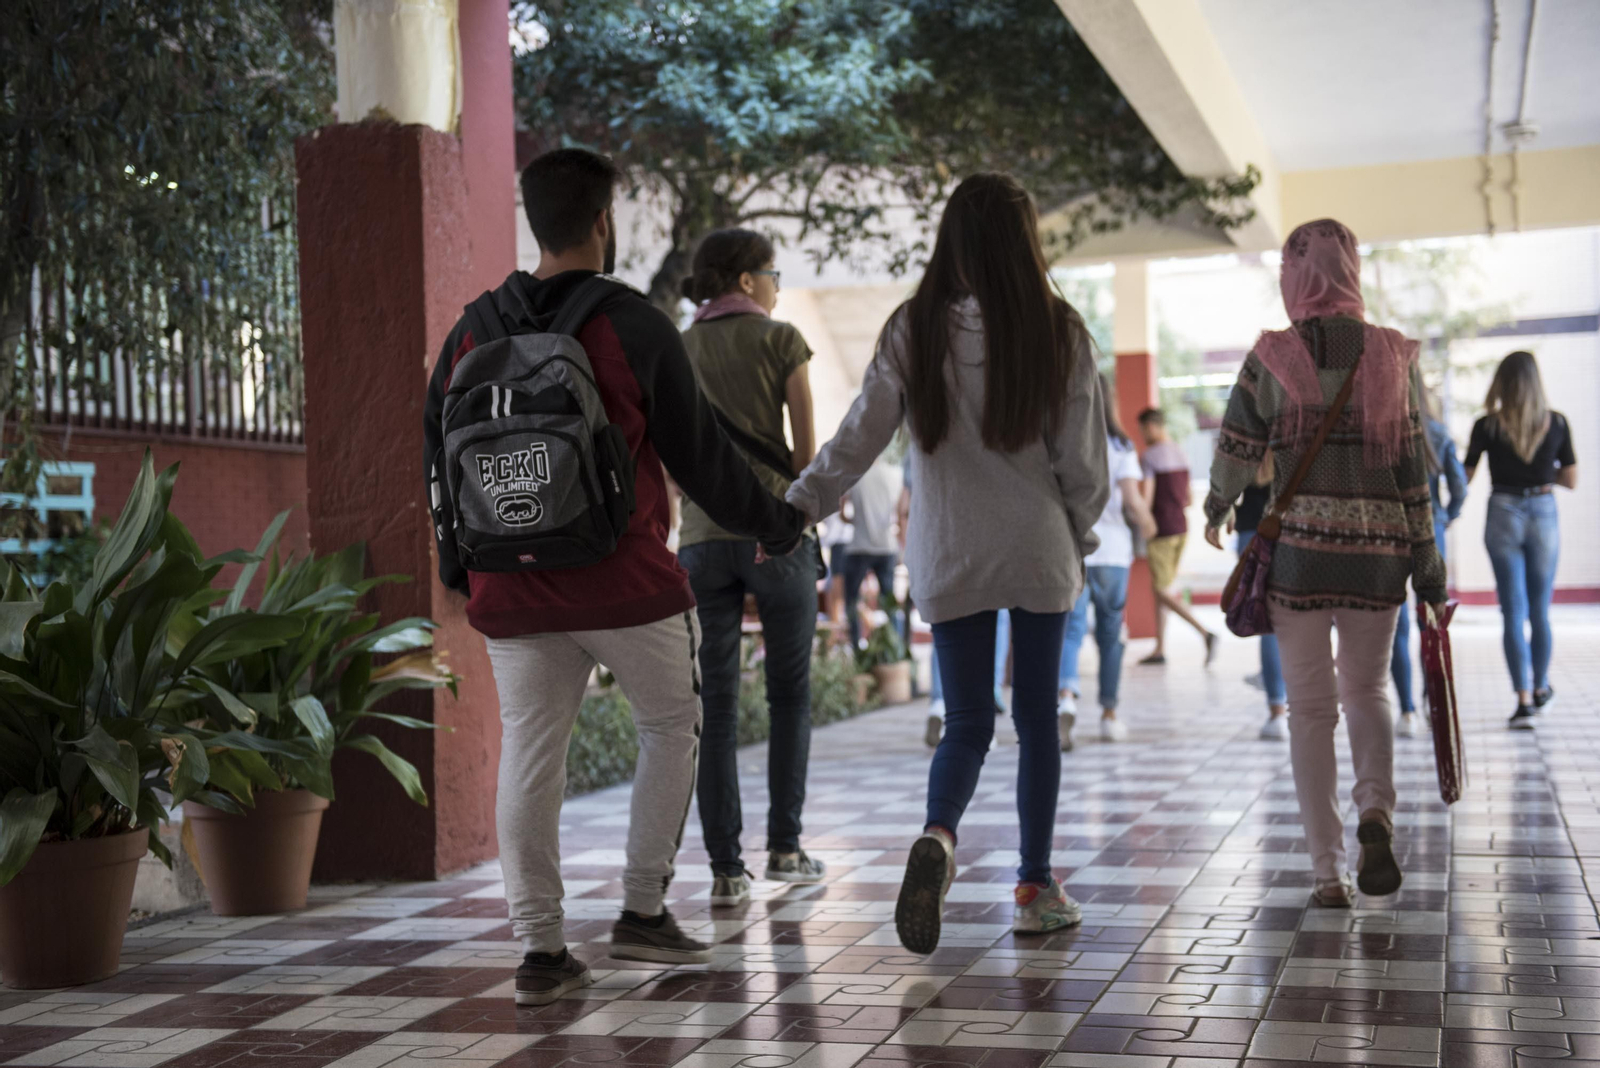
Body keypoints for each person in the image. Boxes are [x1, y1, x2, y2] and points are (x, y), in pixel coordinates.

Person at [424, 149, 804, 1004]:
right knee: (673, 725)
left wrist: (461, 569)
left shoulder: (470, 331)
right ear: (603, 221)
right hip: (625, 581)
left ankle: (543, 955)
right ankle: (640, 912)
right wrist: (779, 523)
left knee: (530, 753)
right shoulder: (632, 325)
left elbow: (436, 465)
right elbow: (702, 461)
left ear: (535, 220)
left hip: (510, 589)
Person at [786, 172, 1108, 952]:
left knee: (965, 722)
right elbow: (1083, 463)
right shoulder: (1058, 329)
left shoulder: (913, 329)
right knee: (1037, 721)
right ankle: (1035, 885)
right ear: (1024, 240)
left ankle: (938, 836)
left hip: (951, 550)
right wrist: (1081, 530)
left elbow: (861, 435)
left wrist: (801, 502)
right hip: (1037, 548)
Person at [1202, 218, 1446, 909]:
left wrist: (1218, 507)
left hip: (1301, 559)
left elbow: (1236, 446)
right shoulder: (1394, 355)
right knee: (1368, 694)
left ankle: (1326, 872)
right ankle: (1377, 813)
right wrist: (1427, 565)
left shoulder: (1272, 356)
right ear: (1352, 272)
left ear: (1294, 277)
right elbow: (1411, 470)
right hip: (1379, 560)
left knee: (1310, 712)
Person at [675, 228, 825, 906]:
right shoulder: (782, 339)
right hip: (777, 536)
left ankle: (726, 870)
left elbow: (672, 454)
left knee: (718, 707)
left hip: (703, 540)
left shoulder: (681, 348)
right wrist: (802, 523)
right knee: (790, 695)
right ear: (745, 282)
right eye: (772, 272)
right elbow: (806, 455)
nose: (777, 285)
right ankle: (787, 849)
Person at [1464, 350, 1577, 728]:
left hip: (1502, 511)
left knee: (1511, 611)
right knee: (1539, 609)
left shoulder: (1486, 426)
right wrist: (1545, 469)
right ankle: (1542, 686)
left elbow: (1464, 477)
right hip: (1542, 510)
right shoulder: (1556, 423)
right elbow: (1572, 480)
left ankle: (1524, 701)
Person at [1058, 374, 1157, 748]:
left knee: (1070, 628)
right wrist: (1150, 527)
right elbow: (1132, 502)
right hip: (1114, 552)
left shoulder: (1066, 445)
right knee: (1110, 635)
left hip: (1076, 551)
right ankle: (1109, 714)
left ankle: (1065, 697)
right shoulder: (1121, 446)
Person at [1390, 392, 1468, 737]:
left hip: (1390, 529)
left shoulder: (1383, 431)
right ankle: (1429, 699)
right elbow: (1459, 486)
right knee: (1431, 619)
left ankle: (1407, 710)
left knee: (1397, 623)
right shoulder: (1436, 431)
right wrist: (1446, 516)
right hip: (1430, 528)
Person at [1137, 408, 1217, 666]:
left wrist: (1140, 521)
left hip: (1160, 530)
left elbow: (1147, 499)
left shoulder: (1149, 456)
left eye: (1143, 430)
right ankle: (1160, 648)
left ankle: (1205, 633)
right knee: (1164, 587)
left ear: (1151, 426)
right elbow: (1189, 497)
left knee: (1161, 591)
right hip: (1181, 527)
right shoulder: (1182, 452)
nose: (1142, 435)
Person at [1233, 452, 1289, 741]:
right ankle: (1303, 701)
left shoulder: (1249, 441)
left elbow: (1226, 477)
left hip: (1250, 534)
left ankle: (1277, 708)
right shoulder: (1294, 432)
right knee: (1298, 620)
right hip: (1289, 533)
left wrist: (1217, 515)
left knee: (1268, 624)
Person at [842, 457, 905, 647]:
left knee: (852, 602)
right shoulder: (895, 474)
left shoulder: (854, 474)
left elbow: (842, 513)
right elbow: (901, 514)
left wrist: (857, 523)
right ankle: (894, 649)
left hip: (859, 546)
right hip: (886, 547)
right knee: (889, 604)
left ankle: (856, 648)